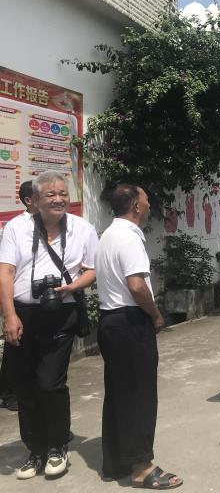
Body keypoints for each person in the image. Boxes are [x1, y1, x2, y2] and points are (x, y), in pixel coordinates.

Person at [0, 171, 99, 479]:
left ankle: (57, 446)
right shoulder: (17, 227)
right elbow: (5, 272)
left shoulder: (82, 228)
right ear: (34, 200)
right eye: (50, 194)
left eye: (62, 193)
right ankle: (35, 449)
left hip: (61, 313)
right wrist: (9, 316)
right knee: (25, 385)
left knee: (50, 383)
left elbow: (92, 269)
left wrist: (72, 287)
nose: (58, 199)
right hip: (22, 314)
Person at [95, 184, 182, 489]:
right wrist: (156, 314)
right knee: (140, 396)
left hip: (110, 321)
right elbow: (136, 286)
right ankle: (142, 466)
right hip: (130, 322)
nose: (148, 205)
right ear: (135, 206)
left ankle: (116, 462)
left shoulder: (108, 235)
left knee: (119, 394)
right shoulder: (129, 238)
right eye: (146, 200)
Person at [0, 181, 34, 414]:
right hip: (15, 296)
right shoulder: (16, 226)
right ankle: (9, 392)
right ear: (29, 200)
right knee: (15, 345)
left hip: (37, 300)